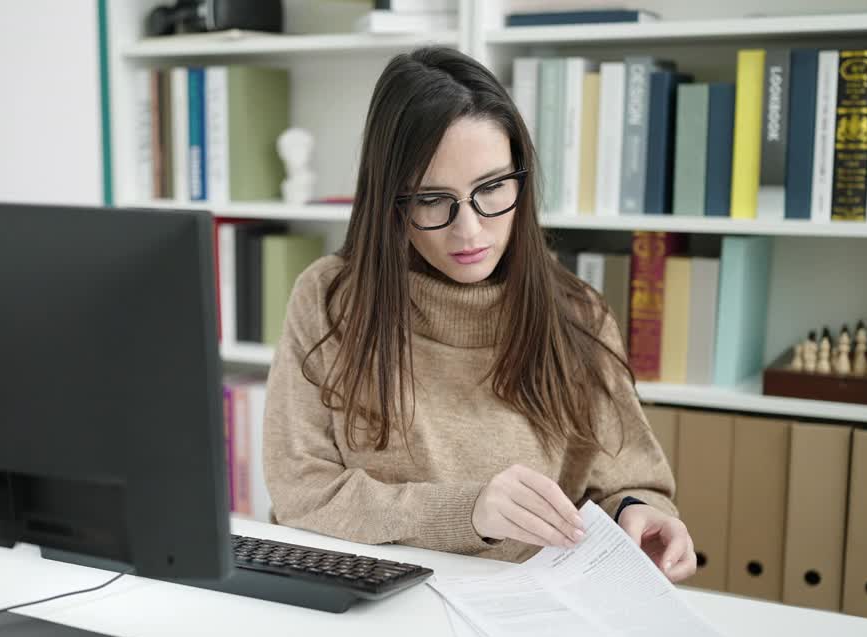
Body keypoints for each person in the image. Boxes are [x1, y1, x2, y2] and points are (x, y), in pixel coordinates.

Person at [261, 46, 695, 582]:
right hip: (368, 596)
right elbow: (302, 492)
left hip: (528, 605)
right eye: (431, 199)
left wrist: (640, 514)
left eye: (491, 188)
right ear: (390, 201)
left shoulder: (577, 314)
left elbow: (629, 482)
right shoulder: (330, 300)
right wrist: (467, 512)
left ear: (521, 178)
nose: (468, 230)